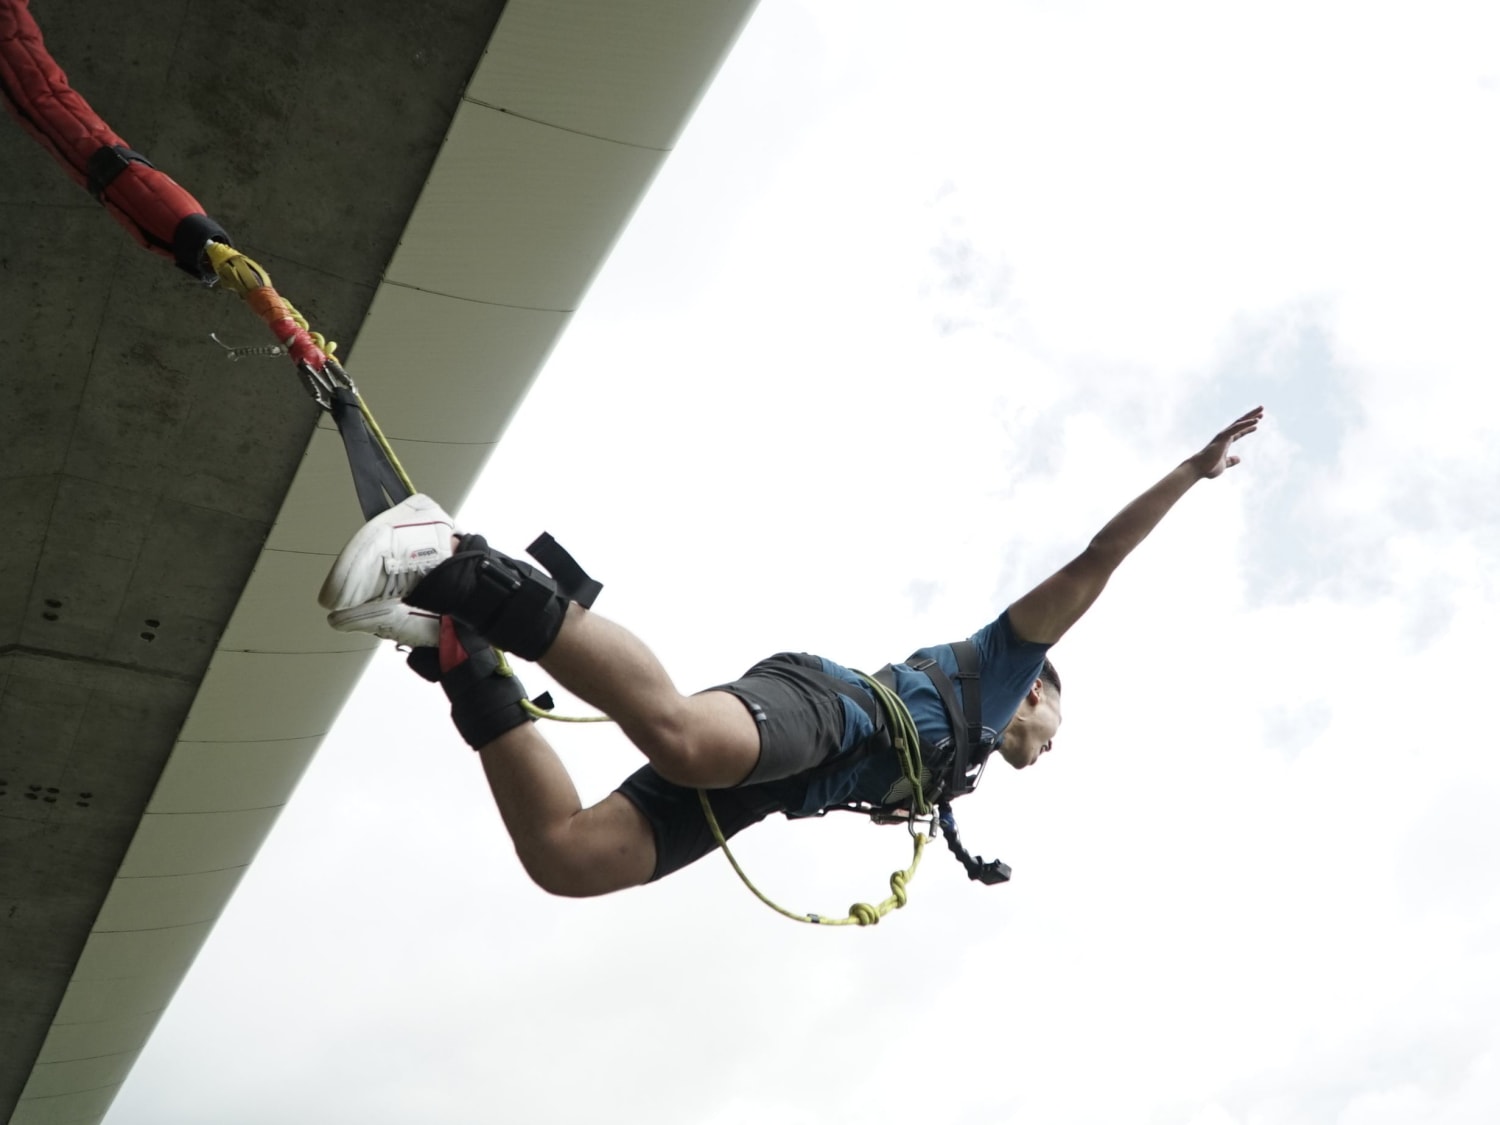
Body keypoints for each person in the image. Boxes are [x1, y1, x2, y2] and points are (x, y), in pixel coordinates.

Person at [318, 407, 1263, 897]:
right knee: (683, 738)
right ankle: (462, 569)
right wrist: (1190, 469)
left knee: (569, 859)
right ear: (1034, 692)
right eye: (1056, 720)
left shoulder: (954, 766)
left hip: (777, 786)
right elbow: (1098, 561)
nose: (1052, 740)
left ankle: (467, 660)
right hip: (821, 703)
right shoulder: (1005, 662)